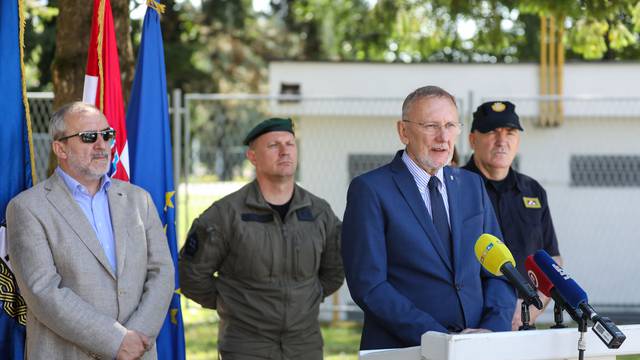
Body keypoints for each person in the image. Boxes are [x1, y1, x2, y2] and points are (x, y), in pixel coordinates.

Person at [341, 86, 516, 350]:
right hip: (406, 349)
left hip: (476, 349)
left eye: (450, 125)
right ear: (403, 131)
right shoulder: (371, 190)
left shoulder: (472, 186)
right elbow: (370, 286)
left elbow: (499, 271)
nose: (443, 137)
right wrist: (438, 338)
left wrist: (491, 330)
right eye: (431, 125)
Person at [6, 102, 175, 360]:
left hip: (138, 352)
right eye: (88, 137)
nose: (101, 145)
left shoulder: (138, 199)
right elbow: (43, 292)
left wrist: (136, 336)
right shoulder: (28, 208)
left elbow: (162, 272)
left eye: (107, 135)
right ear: (60, 148)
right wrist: (115, 341)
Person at [178, 117, 344, 359]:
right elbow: (192, 275)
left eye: (290, 143)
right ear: (253, 157)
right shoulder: (226, 214)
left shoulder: (319, 212)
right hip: (246, 345)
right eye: (274, 145)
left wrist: (307, 298)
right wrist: (232, 303)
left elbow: (335, 270)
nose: (285, 151)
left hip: (304, 345)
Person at [462, 100, 562, 330]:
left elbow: (552, 259)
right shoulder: (453, 188)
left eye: (510, 132)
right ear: (472, 139)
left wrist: (533, 306)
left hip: (524, 320)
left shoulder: (533, 191)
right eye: (492, 132)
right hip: (471, 323)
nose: (502, 141)